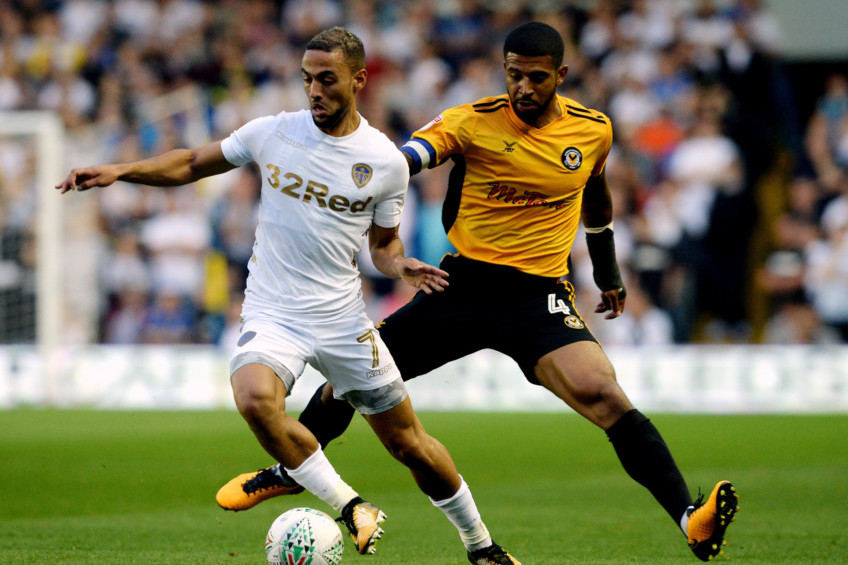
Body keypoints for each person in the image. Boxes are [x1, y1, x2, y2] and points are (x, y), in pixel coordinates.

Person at [216, 22, 739, 562]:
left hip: (538, 296)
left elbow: (597, 202)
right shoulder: (470, 121)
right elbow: (407, 157)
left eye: (536, 78)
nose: (523, 87)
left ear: (560, 75)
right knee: (349, 381)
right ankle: (289, 470)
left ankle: (689, 519)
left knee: (605, 395)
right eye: (513, 75)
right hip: (460, 288)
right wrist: (348, 173)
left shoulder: (592, 131)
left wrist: (607, 274)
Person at [56, 27, 521, 565]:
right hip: (273, 310)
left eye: (327, 80)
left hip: (343, 320)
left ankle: (481, 546)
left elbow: (384, 245)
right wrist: (120, 171)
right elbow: (190, 163)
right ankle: (351, 507)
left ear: (359, 80)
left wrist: (402, 267)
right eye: (307, 80)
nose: (315, 91)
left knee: (408, 443)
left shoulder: (385, 163)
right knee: (254, 398)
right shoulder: (275, 132)